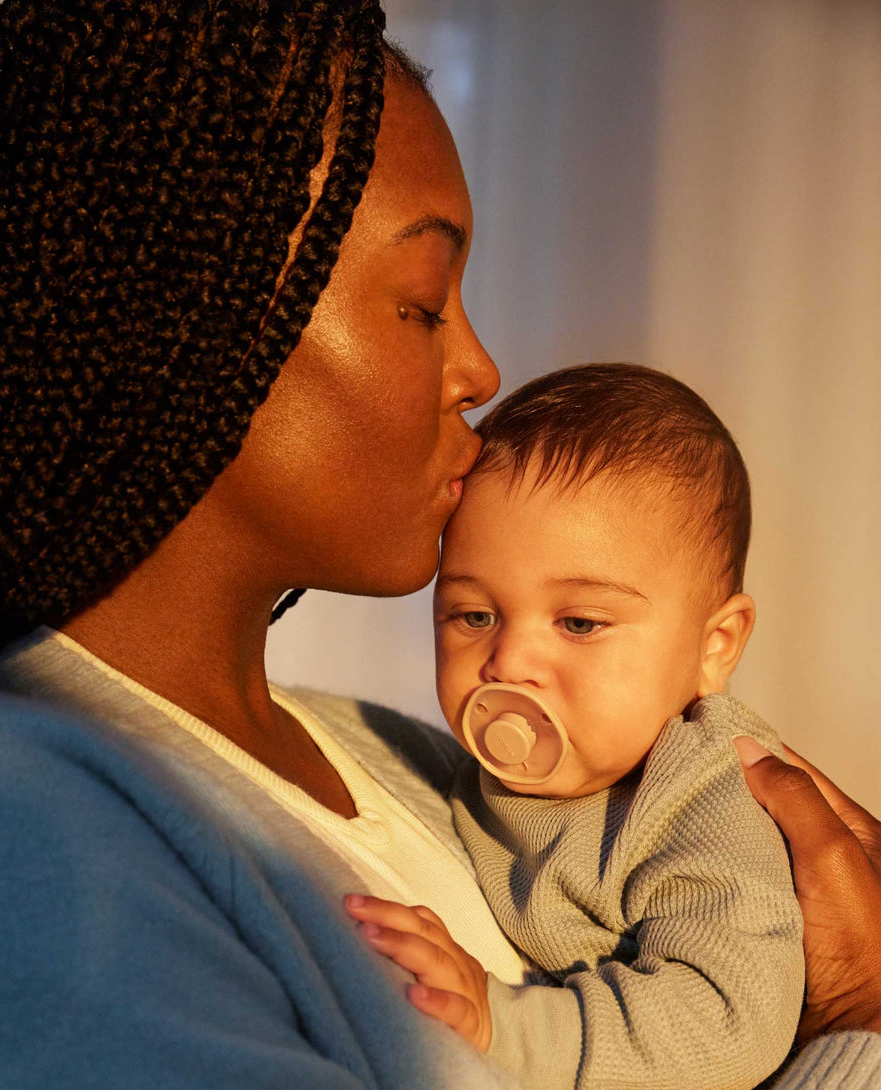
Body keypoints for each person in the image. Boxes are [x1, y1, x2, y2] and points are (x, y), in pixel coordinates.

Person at [0, 3, 881, 1087]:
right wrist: (871, 1025)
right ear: (191, 314)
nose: (481, 368)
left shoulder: (417, 765)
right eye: (425, 305)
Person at [345, 363, 806, 1088]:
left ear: (713, 647)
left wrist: (508, 1025)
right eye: (474, 615)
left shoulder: (703, 799)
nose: (510, 661)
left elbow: (728, 1021)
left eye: (580, 622)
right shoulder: (450, 775)